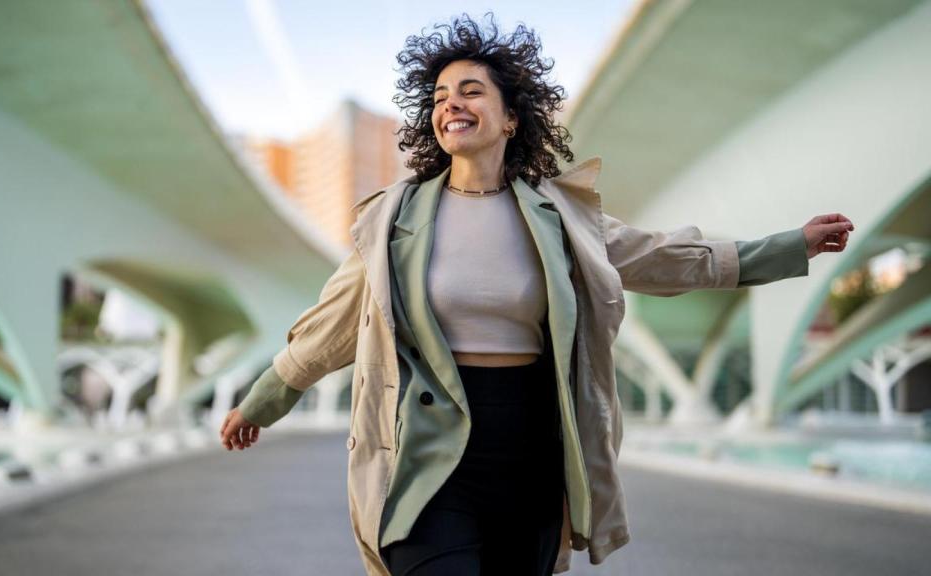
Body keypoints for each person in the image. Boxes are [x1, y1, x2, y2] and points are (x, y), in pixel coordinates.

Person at [219, 13, 855, 576]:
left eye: (471, 91)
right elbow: (330, 325)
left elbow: (663, 257)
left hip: (531, 451)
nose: (452, 104)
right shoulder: (393, 220)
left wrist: (788, 247)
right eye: (440, 96)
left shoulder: (559, 217)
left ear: (511, 116)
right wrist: (261, 402)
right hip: (424, 456)